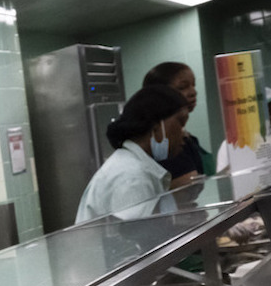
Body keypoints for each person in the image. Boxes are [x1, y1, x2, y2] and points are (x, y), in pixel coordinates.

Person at [76, 85, 189, 223]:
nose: (185, 133)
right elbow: (138, 239)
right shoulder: (132, 178)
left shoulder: (132, 165)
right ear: (156, 127)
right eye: (181, 122)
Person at [142, 62, 211, 187]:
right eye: (183, 87)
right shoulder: (164, 146)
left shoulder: (189, 139)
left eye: (193, 85)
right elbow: (187, 188)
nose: (193, 92)